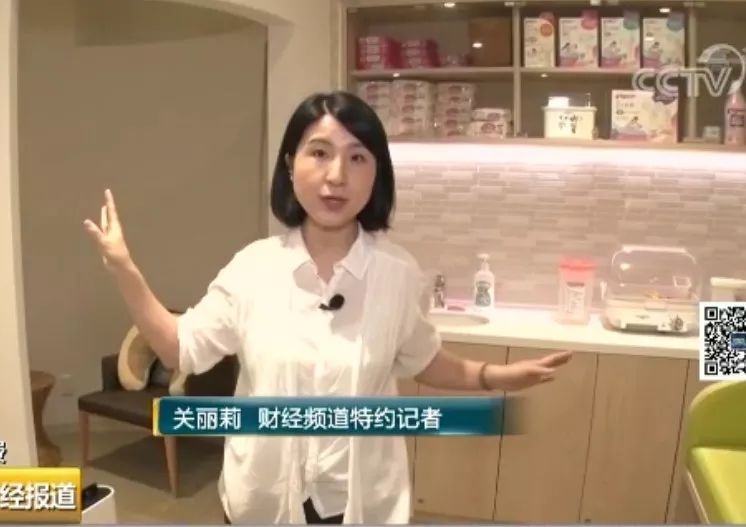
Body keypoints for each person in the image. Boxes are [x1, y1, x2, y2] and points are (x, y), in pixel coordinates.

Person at [83, 90, 572, 525]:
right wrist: (125, 269)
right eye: (319, 153)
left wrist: (495, 376)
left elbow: (424, 359)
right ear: (290, 163)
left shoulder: (398, 274)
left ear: (377, 174)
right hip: (264, 500)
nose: (336, 176)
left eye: (357, 158)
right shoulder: (253, 268)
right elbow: (180, 349)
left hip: (360, 503)